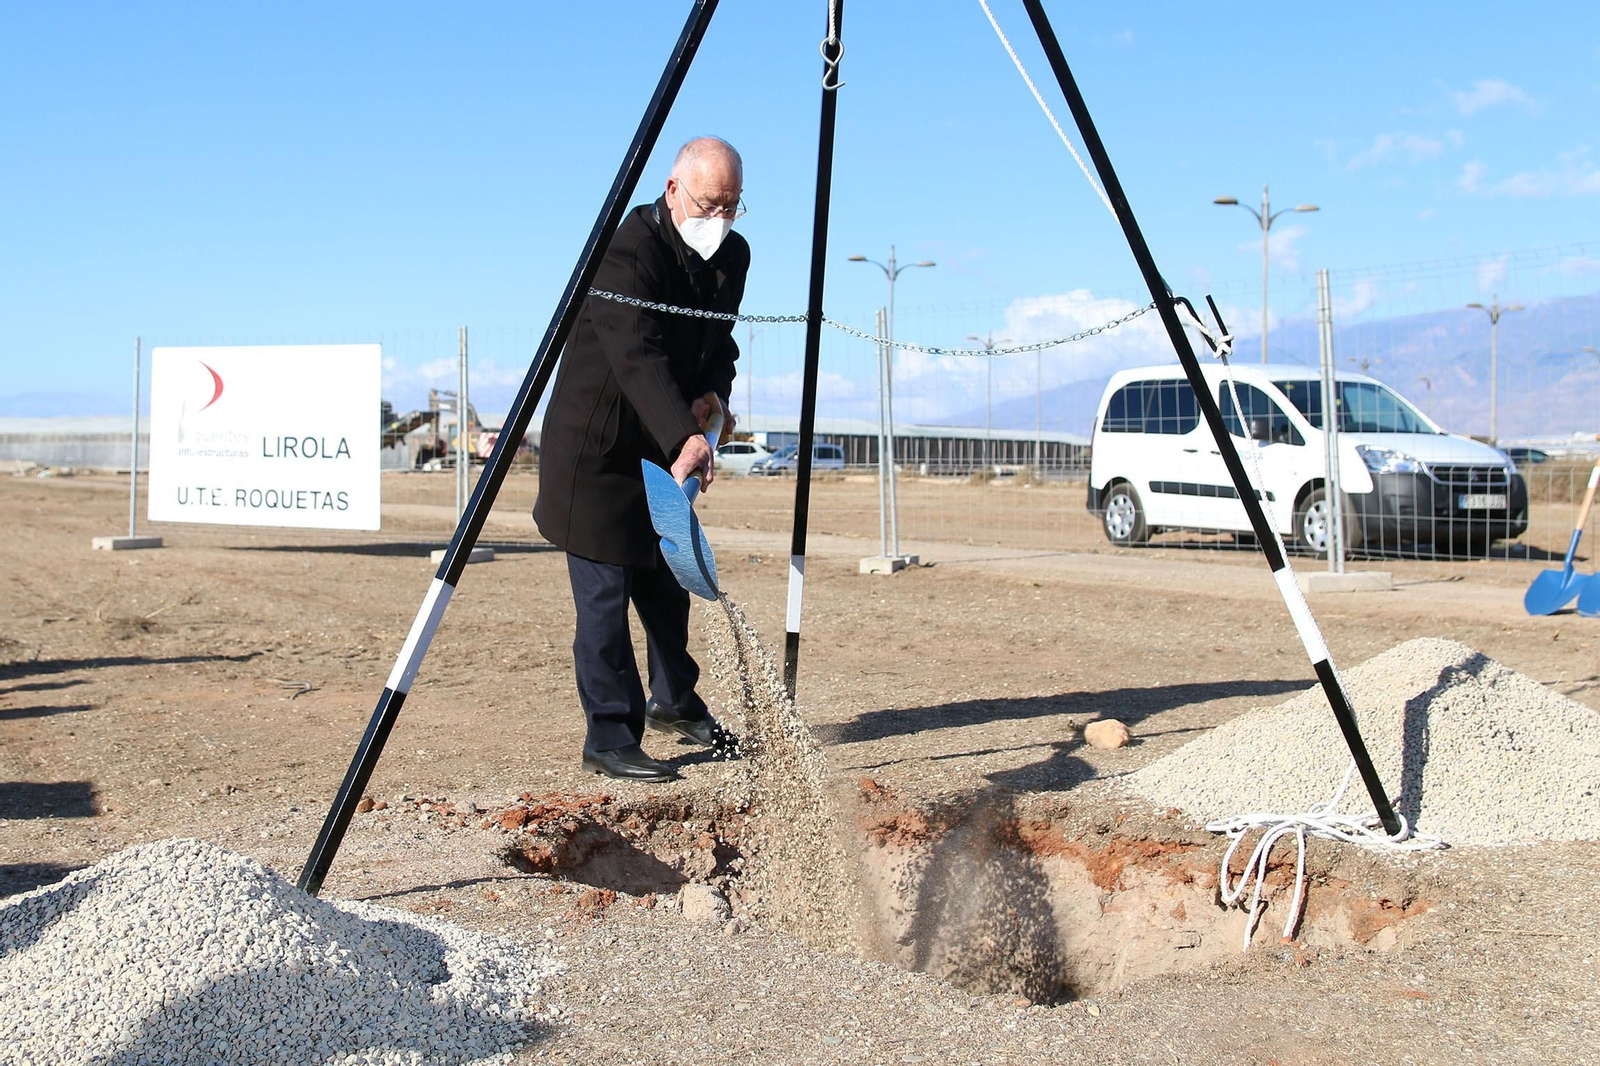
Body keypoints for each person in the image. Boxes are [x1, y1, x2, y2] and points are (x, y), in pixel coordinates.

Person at [533, 136, 749, 783]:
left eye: (734, 207)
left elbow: (720, 342)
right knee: (605, 599)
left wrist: (713, 397)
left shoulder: (733, 256)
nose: (721, 221)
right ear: (673, 190)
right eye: (710, 204)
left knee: (665, 585)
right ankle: (608, 735)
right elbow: (637, 353)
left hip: (662, 447)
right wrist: (684, 433)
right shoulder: (624, 252)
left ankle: (675, 703)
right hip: (595, 453)